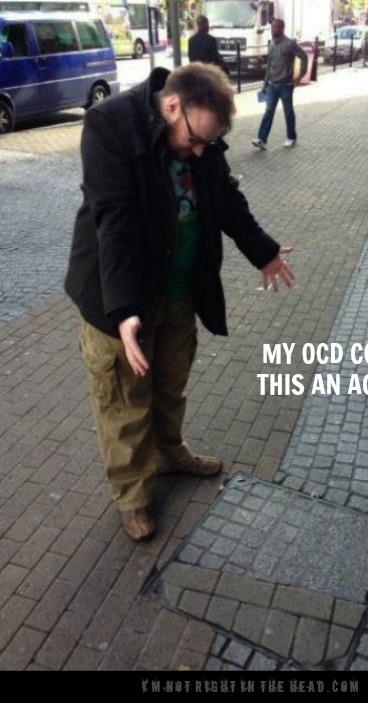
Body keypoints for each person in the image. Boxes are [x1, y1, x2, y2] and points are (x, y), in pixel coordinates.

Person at [64, 63, 295, 542]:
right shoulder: (111, 125)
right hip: (120, 300)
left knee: (170, 385)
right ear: (172, 106)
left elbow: (225, 198)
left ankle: (169, 453)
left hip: (178, 290)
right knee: (125, 402)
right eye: (194, 141)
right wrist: (123, 312)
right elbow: (114, 223)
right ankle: (132, 495)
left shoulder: (200, 137)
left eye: (207, 143)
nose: (199, 151)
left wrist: (265, 252)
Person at [252, 18, 308, 150]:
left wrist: (300, 76)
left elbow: (304, 56)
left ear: (282, 28)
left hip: (286, 85)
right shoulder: (271, 44)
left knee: (288, 112)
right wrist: (265, 85)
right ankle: (261, 139)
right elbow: (269, 66)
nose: (273, 29)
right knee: (268, 111)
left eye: (276, 27)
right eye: (272, 27)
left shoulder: (290, 44)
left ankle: (291, 137)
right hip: (272, 85)